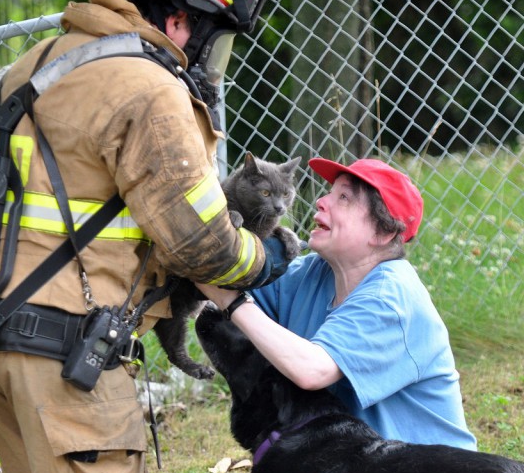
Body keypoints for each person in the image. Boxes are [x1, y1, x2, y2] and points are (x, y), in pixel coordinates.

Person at [0, 0, 289, 473]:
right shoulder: (148, 86)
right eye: (215, 39)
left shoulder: (40, 62)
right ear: (179, 20)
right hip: (63, 351)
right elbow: (201, 244)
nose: (212, 60)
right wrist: (270, 256)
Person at [198, 157, 478, 451]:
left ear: (382, 233)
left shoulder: (392, 298)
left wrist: (231, 301)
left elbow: (312, 371)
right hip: (356, 471)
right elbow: (220, 281)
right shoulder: (314, 272)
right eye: (329, 192)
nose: (321, 201)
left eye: (343, 198)